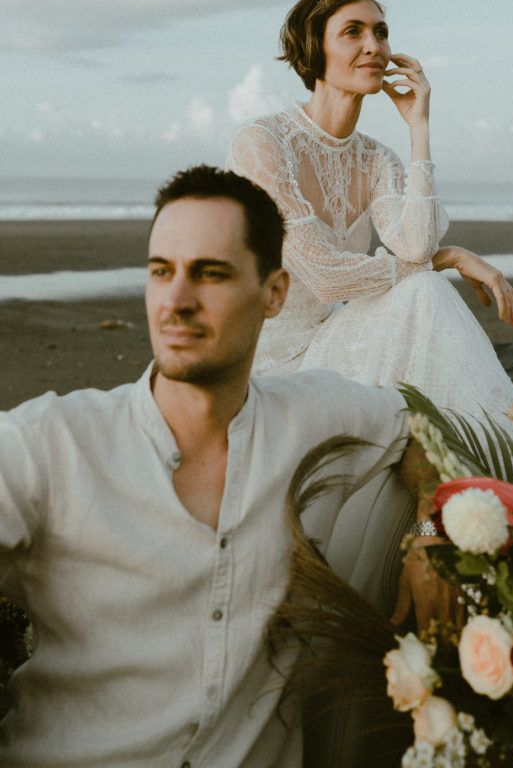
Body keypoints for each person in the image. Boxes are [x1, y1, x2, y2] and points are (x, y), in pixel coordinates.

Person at [0, 165, 447, 768]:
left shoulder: (314, 416)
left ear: (274, 293)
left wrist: (427, 535)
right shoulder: (49, 444)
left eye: (210, 274)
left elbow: (419, 428)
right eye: (162, 272)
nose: (177, 301)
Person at [228, 0, 513, 602]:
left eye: (381, 31)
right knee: (423, 294)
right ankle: (503, 491)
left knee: (421, 298)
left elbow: (412, 244)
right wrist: (445, 260)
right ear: (314, 49)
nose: (374, 45)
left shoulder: (377, 158)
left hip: (337, 342)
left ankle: (480, 501)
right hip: (273, 366)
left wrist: (419, 126)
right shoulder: (264, 144)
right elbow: (323, 273)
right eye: (353, 32)